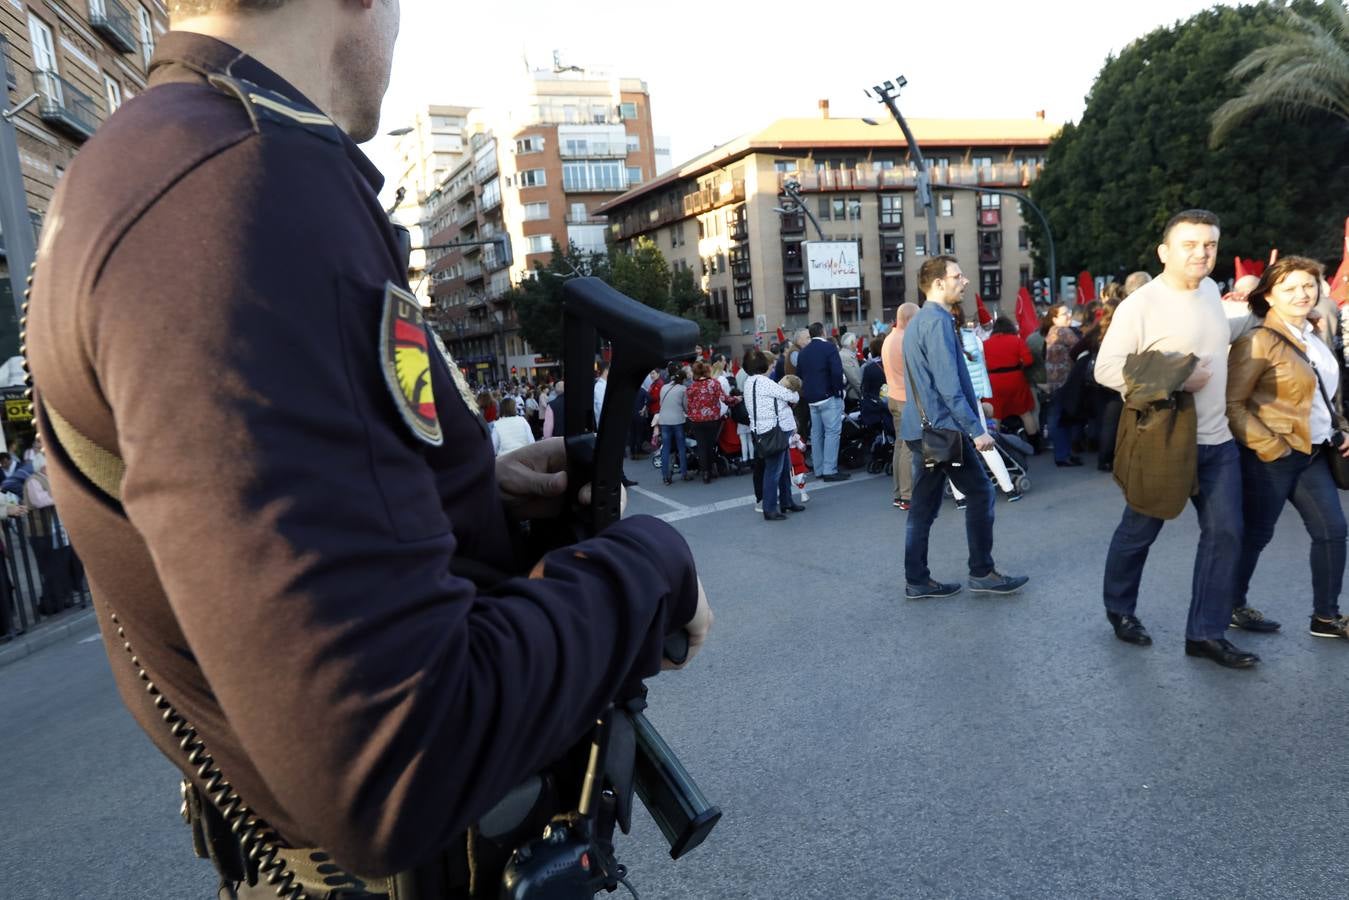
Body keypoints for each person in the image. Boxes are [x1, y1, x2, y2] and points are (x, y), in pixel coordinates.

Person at [24, 4, 713, 894]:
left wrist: (462, 490)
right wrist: (652, 568)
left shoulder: (152, 158)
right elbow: (395, 757)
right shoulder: (241, 189)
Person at [1095, 209, 1264, 668]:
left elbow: (1212, 335)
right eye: (1189, 244)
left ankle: (1205, 634)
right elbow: (1106, 369)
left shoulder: (1211, 290)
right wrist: (1179, 377)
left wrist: (1251, 320)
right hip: (1165, 439)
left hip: (1217, 442)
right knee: (1140, 530)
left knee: (1226, 533)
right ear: (1165, 251)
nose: (1201, 252)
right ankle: (1120, 609)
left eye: (1209, 244)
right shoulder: (1141, 304)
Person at [1227, 257, 1349, 640]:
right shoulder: (1258, 340)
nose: (1302, 294)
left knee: (1332, 531)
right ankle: (1230, 605)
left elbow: (1324, 396)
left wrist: (1340, 428)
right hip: (1272, 456)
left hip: (1313, 453)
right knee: (1256, 535)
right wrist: (1271, 447)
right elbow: (1233, 404)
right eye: (1290, 287)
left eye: (1308, 286)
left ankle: (1325, 618)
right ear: (1269, 294)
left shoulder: (1313, 335)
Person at [900, 256, 1028, 599]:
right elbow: (948, 386)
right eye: (957, 276)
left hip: (923, 429)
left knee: (923, 508)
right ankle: (982, 571)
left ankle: (917, 579)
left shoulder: (918, 321)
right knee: (981, 493)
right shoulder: (938, 321)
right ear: (939, 283)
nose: (965, 281)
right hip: (943, 429)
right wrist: (977, 429)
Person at [745, 356, 803, 521]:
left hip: (763, 430)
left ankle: (786, 501)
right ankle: (770, 508)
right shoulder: (764, 382)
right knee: (774, 470)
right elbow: (792, 397)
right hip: (773, 430)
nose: (772, 367)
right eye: (770, 365)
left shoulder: (750, 382)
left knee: (783, 467)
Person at [796, 322, 850, 482]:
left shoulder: (803, 352)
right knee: (832, 433)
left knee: (817, 434)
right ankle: (829, 469)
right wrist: (839, 391)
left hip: (811, 398)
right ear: (823, 331)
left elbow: (800, 374)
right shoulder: (829, 348)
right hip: (828, 396)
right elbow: (836, 371)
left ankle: (819, 469)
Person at [1042, 304, 1083, 467]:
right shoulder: (1063, 331)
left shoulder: (1051, 332)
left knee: (1060, 418)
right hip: (1065, 382)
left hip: (1054, 382)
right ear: (1054, 318)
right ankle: (1063, 455)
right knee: (1064, 419)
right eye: (1064, 314)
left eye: (1069, 313)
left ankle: (1063, 454)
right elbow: (1081, 346)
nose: (1069, 316)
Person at [983, 317, 1035, 429]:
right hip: (1015, 378)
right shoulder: (1017, 340)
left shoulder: (985, 343)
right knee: (1025, 413)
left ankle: (996, 443)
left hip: (994, 381)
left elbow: (983, 364)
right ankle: (1034, 443)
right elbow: (1028, 361)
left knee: (996, 415)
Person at [594, 361, 638, 487]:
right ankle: (617, 479)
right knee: (613, 454)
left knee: (614, 453)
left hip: (609, 424)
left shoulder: (603, 386)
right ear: (607, 371)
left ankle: (620, 478)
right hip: (608, 426)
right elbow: (605, 407)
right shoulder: (600, 387)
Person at [685, 361, 727, 484]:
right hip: (712, 419)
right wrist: (736, 399)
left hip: (696, 420)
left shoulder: (692, 387)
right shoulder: (714, 383)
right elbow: (725, 399)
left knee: (702, 446)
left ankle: (705, 473)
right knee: (710, 445)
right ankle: (712, 468)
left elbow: (689, 404)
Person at [657, 366, 690, 484]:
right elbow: (686, 407)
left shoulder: (663, 387)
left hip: (664, 421)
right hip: (677, 421)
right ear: (682, 379)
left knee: (665, 448)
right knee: (681, 447)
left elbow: (661, 403)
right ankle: (684, 473)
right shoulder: (683, 389)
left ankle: (665, 476)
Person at [839, 333, 863, 404]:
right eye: (856, 341)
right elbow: (853, 378)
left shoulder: (848, 354)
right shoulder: (845, 356)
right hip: (852, 395)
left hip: (853, 392)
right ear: (852, 343)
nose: (857, 343)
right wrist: (863, 393)